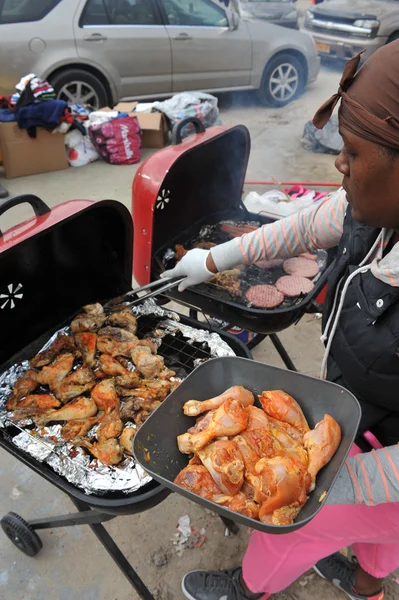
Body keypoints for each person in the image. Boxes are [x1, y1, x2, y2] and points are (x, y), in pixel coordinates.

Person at [162, 42, 399, 600]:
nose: (338, 164)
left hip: (390, 466)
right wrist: (214, 259)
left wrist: (328, 481)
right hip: (372, 413)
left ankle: (250, 590)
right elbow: (317, 222)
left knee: (296, 524)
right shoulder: (382, 209)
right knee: (381, 541)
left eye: (353, 152)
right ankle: (367, 588)